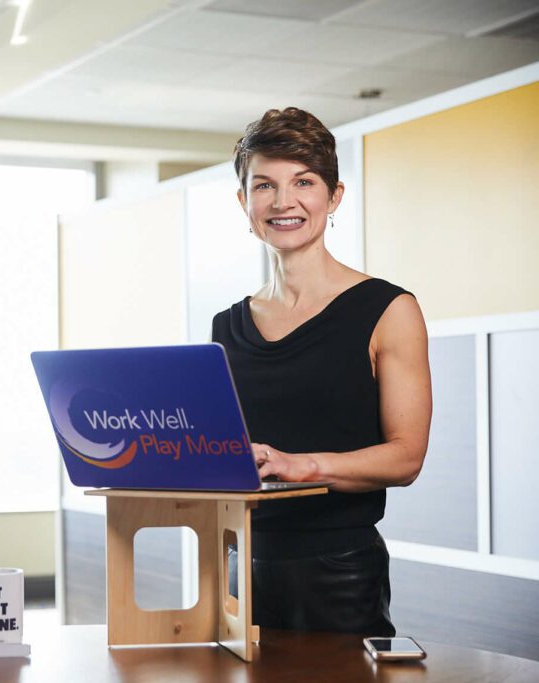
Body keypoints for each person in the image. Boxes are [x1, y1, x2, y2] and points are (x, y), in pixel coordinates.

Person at [212, 107, 432, 636]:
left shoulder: (388, 309)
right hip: (241, 565)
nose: (283, 201)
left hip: (338, 571)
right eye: (264, 185)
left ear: (334, 197)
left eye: (303, 182)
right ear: (244, 203)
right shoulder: (226, 326)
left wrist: (299, 465)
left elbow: (405, 458)